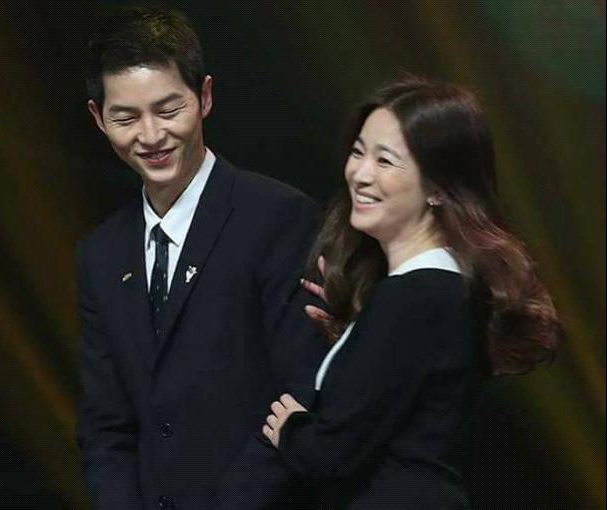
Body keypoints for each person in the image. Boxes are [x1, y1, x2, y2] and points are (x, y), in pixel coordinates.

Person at [260, 76, 562, 509]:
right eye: (359, 152)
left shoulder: (415, 296)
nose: (360, 174)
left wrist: (291, 428)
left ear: (438, 188)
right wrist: (358, 332)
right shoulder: (440, 289)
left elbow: (330, 452)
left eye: (385, 160)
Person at [76, 6, 327, 509]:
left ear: (205, 97)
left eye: (169, 110)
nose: (151, 136)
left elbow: (305, 389)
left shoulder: (279, 217)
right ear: (98, 118)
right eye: (126, 117)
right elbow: (105, 424)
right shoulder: (100, 254)